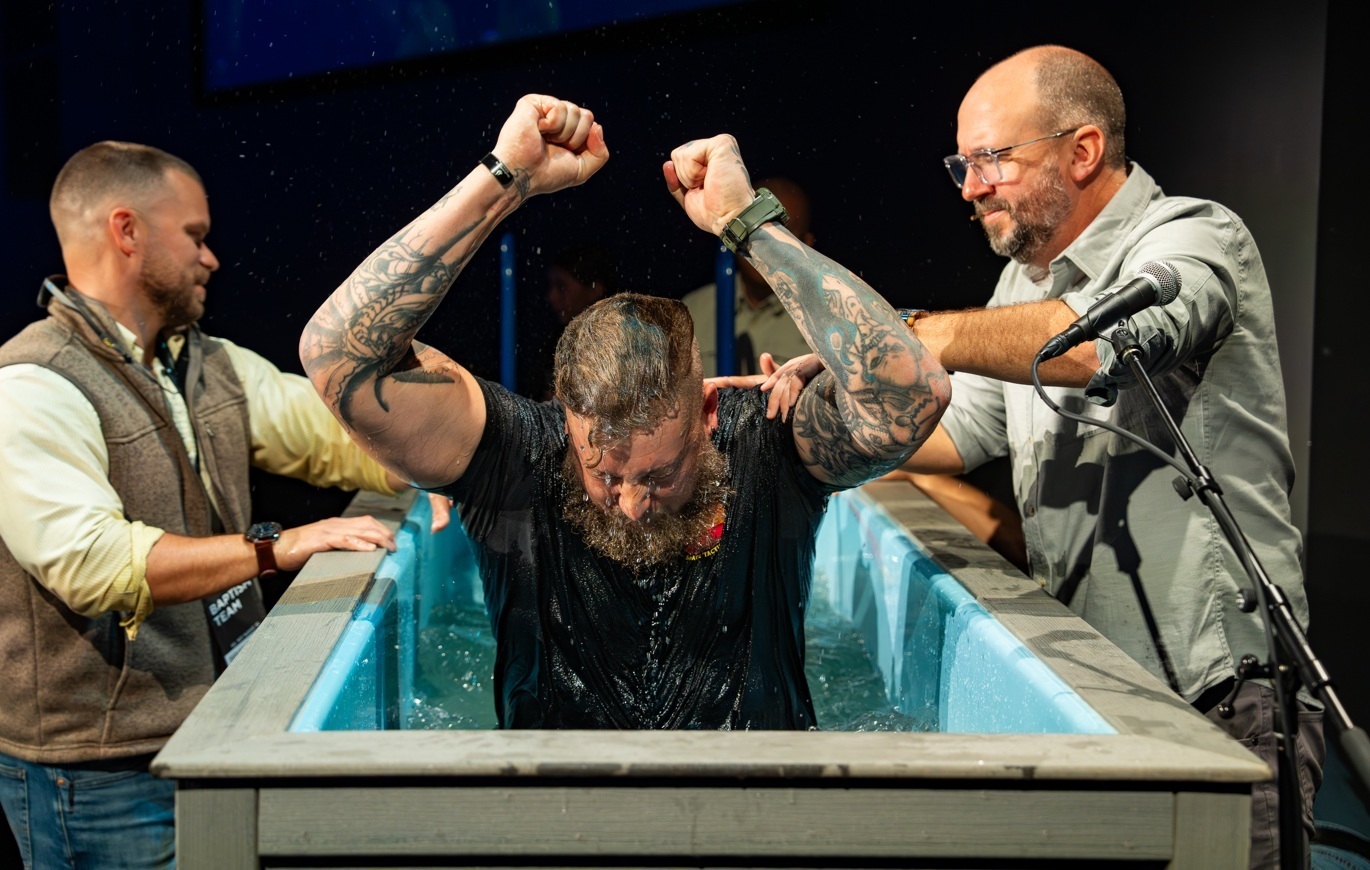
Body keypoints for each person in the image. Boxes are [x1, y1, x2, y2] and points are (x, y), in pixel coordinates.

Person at [762, 45, 1321, 868]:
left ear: (1083, 150)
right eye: (962, 162)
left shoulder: (1200, 237)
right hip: (1099, 697)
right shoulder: (1022, 288)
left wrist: (928, 336)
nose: (969, 187)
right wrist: (844, 401)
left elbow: (1110, 345)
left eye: (991, 159)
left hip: (1222, 697)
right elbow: (955, 436)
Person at [299, 95, 950, 730]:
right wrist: (504, 179)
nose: (634, 504)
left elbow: (915, 394)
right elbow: (334, 353)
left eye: (661, 475)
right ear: (566, 418)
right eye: (606, 477)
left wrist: (748, 224)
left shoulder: (770, 443)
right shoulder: (515, 461)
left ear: (707, 411)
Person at [0, 141, 446, 870]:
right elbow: (92, 564)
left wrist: (437, 467)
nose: (213, 259)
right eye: (196, 237)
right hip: (98, 768)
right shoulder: (31, 384)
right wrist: (276, 548)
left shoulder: (207, 362)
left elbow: (329, 435)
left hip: (208, 733)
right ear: (127, 231)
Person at [682, 176, 816, 376]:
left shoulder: (822, 323)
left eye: (781, 234)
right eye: (752, 230)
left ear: (807, 243)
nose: (763, 246)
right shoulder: (693, 312)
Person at [523, 240, 619, 399]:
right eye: (551, 286)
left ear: (594, 289)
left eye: (562, 287)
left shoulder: (621, 343)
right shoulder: (554, 342)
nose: (551, 297)